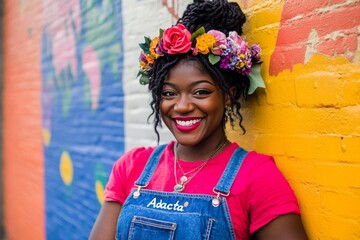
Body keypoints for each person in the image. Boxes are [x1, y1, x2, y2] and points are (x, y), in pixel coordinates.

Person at [89, 0, 309, 239]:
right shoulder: (131, 167)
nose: (182, 106)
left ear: (229, 95)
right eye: (169, 93)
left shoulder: (257, 177)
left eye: (200, 92)